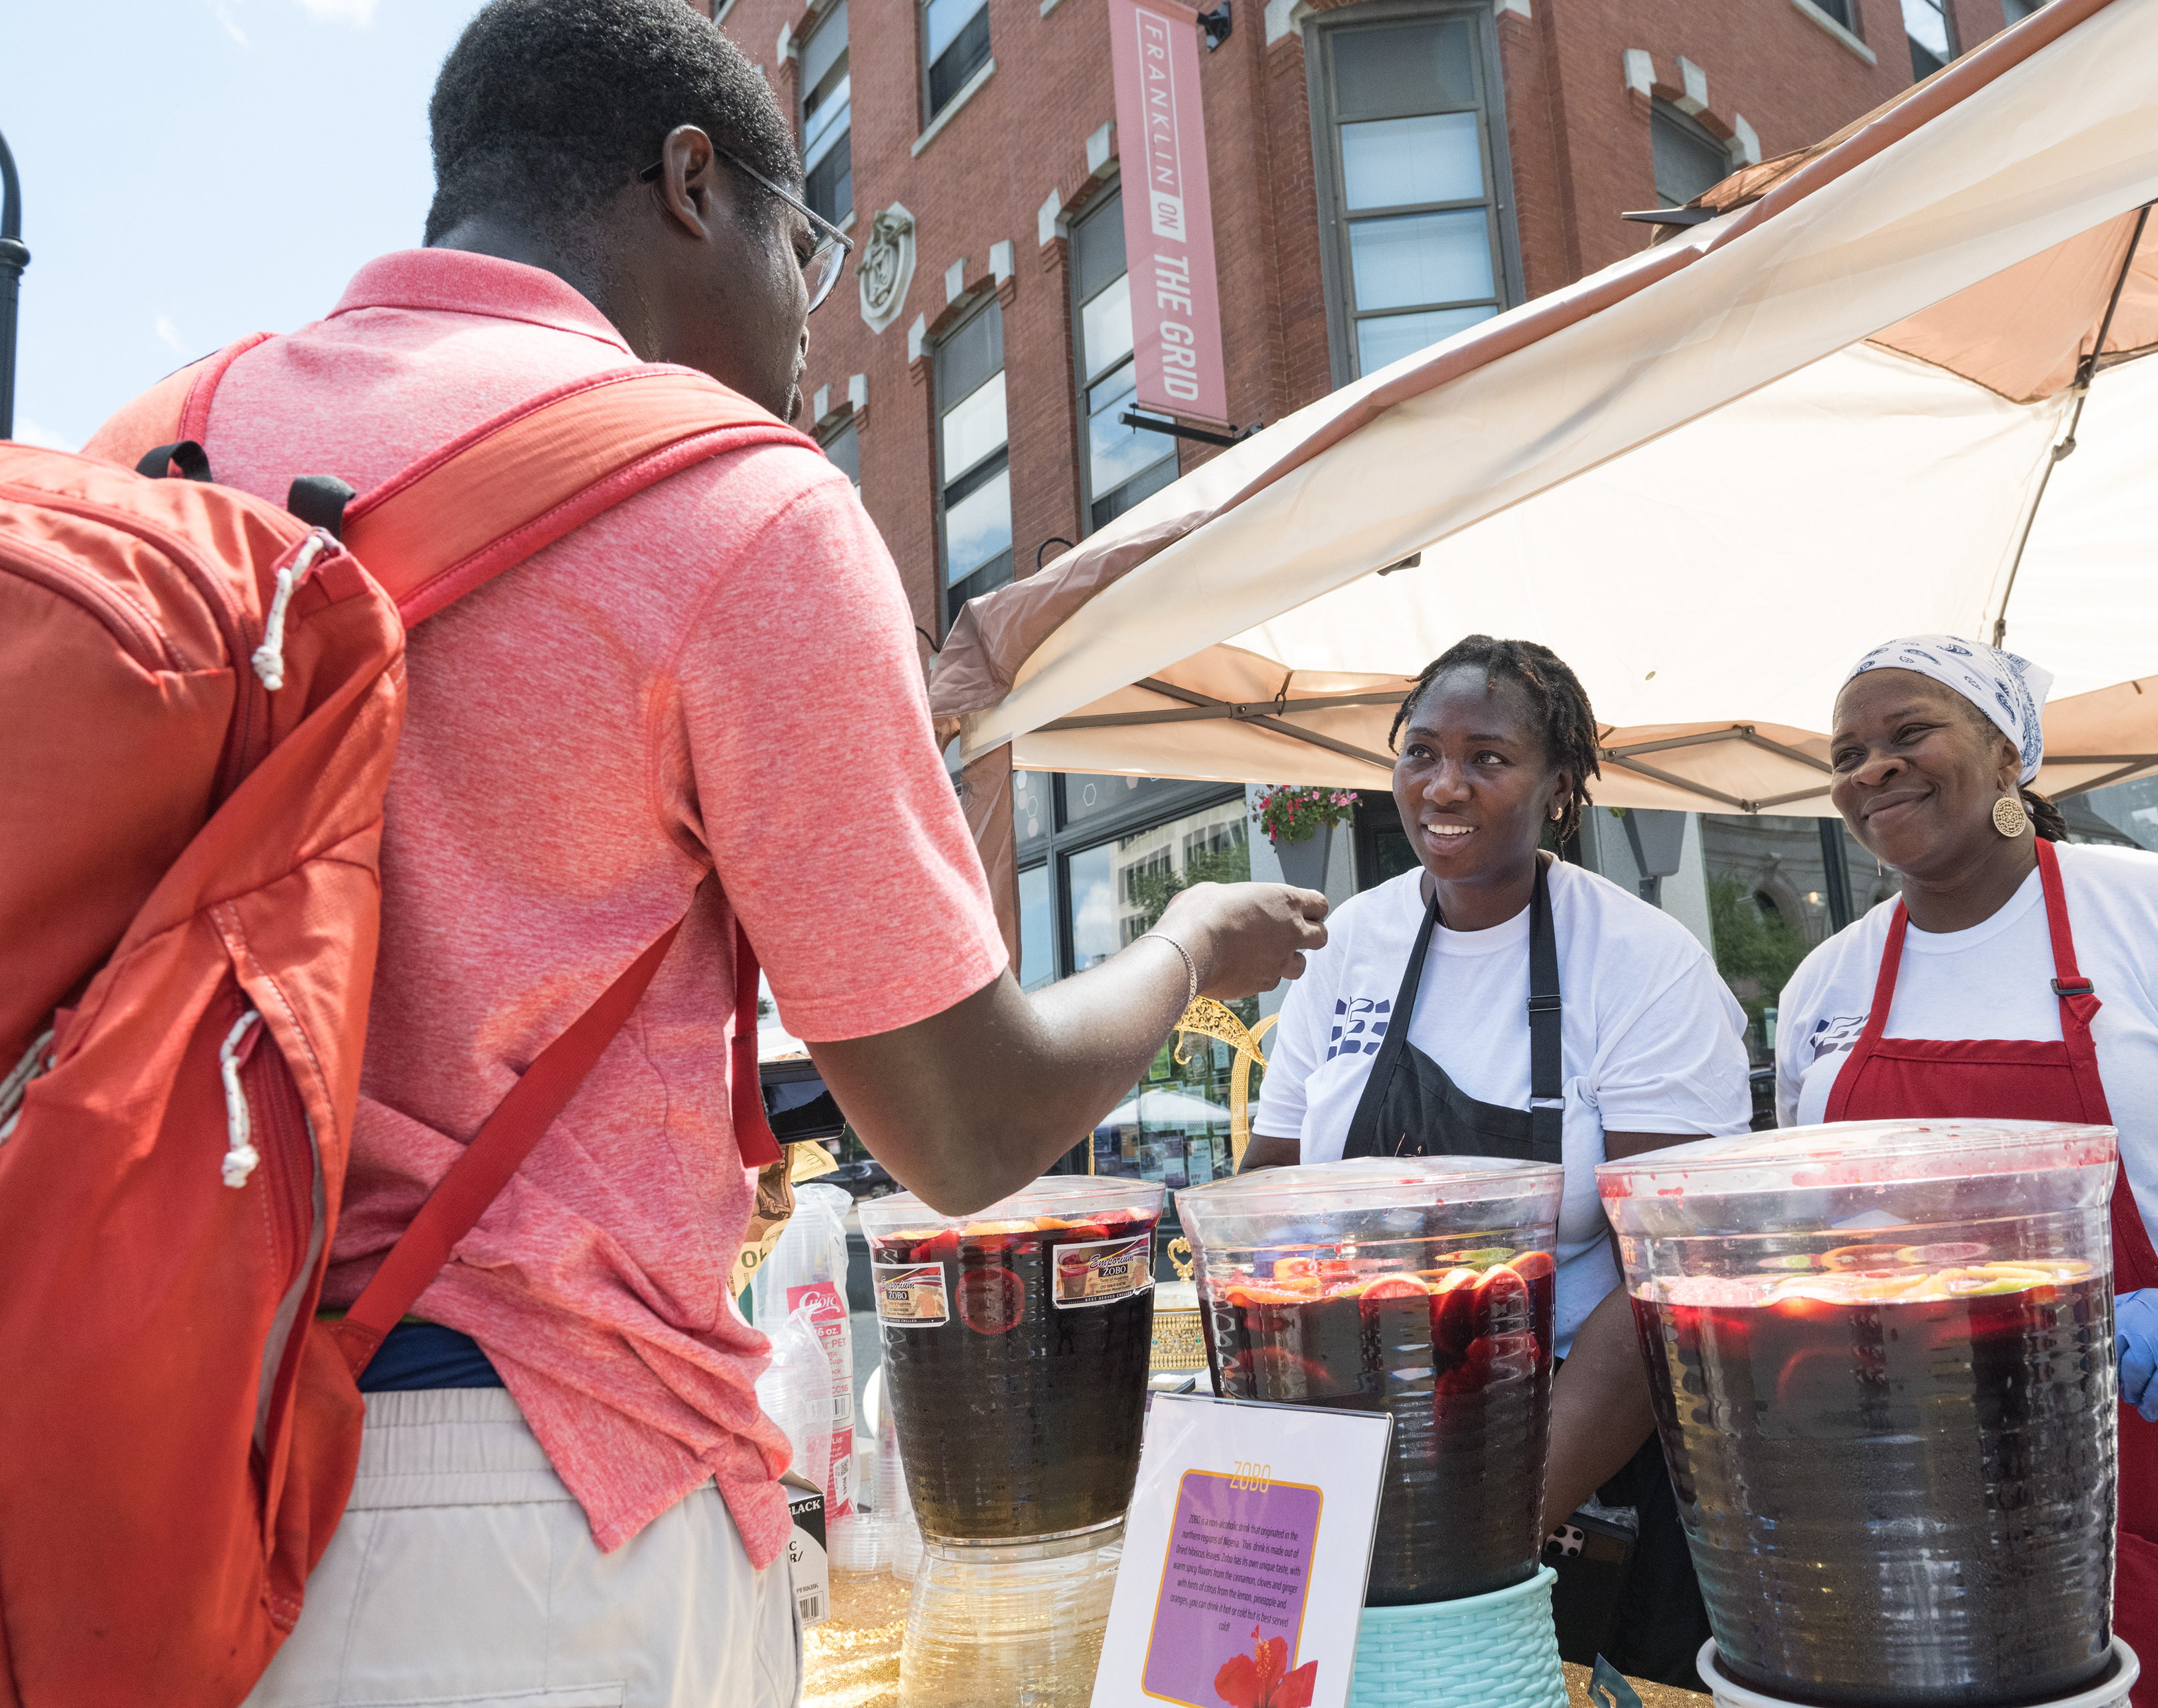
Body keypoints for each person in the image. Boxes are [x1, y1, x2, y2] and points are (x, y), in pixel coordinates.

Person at [83, 4, 1323, 1704]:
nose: (809, 316)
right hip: (537, 1507)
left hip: (131, 1456)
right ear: (692, 184)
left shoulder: (142, 451)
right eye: (804, 238)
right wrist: (1182, 940)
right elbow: (963, 1123)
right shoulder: (738, 499)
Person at [1546, 635, 2158, 1708]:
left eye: (1910, 733)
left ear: (2012, 754)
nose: (1872, 768)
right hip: (1903, 1549)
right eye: (1848, 752)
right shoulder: (1831, 980)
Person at [1244, 634, 1754, 1683]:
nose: (1445, 784)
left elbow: (1672, 1275)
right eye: (1421, 751)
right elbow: (1267, 1207)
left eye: (1489, 757)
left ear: (1561, 787)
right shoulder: (1348, 950)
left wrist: (1487, 1529)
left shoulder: (1642, 965)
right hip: (1356, 1430)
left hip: (1578, 1447)